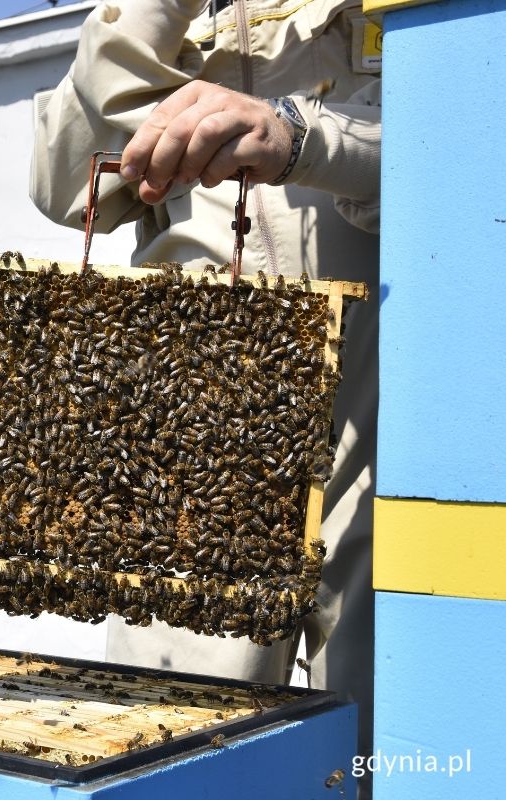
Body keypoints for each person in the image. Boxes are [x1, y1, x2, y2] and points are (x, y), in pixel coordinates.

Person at [29, 0, 382, 773]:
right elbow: (65, 187)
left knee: (385, 747)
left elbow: (474, 143)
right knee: (182, 753)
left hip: (392, 408)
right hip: (200, 426)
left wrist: (308, 138)